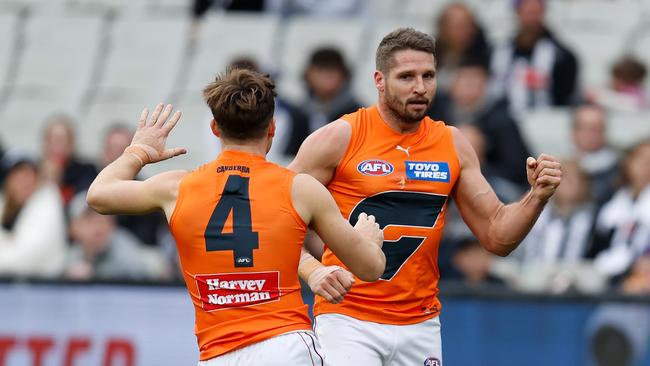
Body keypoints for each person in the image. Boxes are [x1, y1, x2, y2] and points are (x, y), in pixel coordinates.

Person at [290, 27, 562, 365]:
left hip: (420, 323)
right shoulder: (339, 138)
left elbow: (496, 236)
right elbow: (276, 219)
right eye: (407, 77)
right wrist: (312, 270)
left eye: (428, 76)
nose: (420, 87)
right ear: (379, 79)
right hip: (348, 319)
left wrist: (537, 196)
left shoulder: (453, 143)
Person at [86, 69, 386, 365]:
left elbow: (98, 195)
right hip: (285, 348)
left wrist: (138, 152)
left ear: (215, 128)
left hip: (218, 354)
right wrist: (369, 240)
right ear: (272, 128)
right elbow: (371, 268)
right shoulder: (299, 188)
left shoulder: (176, 187)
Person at [490, 0, 579, 119]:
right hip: (506, 120)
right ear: (517, 12)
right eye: (528, 12)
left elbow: (565, 97)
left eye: (536, 12)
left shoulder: (562, 56)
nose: (532, 19)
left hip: (547, 119)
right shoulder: (500, 52)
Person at [0, 153, 66, 277]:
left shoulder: (47, 203)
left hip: (46, 288)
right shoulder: (4, 204)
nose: (23, 181)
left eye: (28, 175)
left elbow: (26, 258)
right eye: (17, 175)